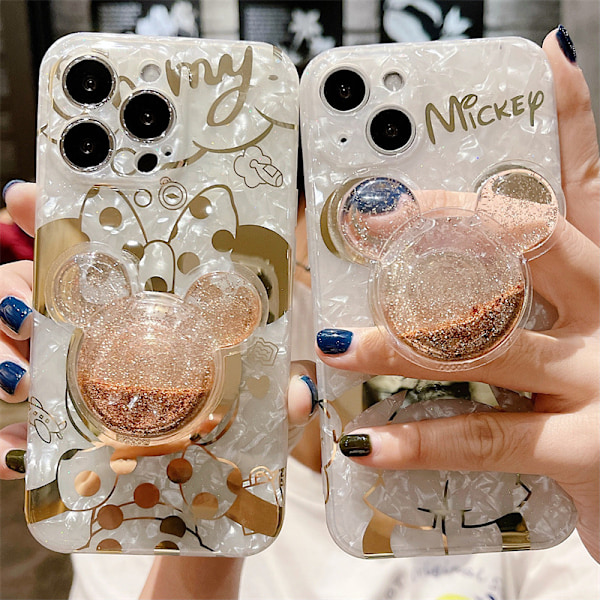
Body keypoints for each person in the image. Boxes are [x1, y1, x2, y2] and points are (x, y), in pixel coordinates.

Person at [1, 27, 598, 600]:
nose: (435, 282)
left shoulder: (549, 440)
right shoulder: (132, 452)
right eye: (360, 219)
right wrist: (206, 520)